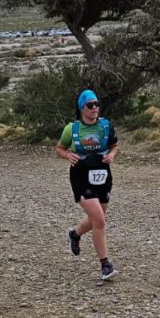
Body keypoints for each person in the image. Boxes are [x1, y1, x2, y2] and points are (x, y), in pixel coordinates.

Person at [55, 89, 120, 280]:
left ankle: (75, 235)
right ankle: (105, 265)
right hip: (81, 176)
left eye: (97, 104)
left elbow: (115, 146)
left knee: (95, 219)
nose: (95, 108)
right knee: (99, 220)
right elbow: (59, 148)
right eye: (90, 105)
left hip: (102, 175)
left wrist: (112, 155)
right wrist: (67, 154)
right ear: (81, 108)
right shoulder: (71, 129)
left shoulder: (106, 126)